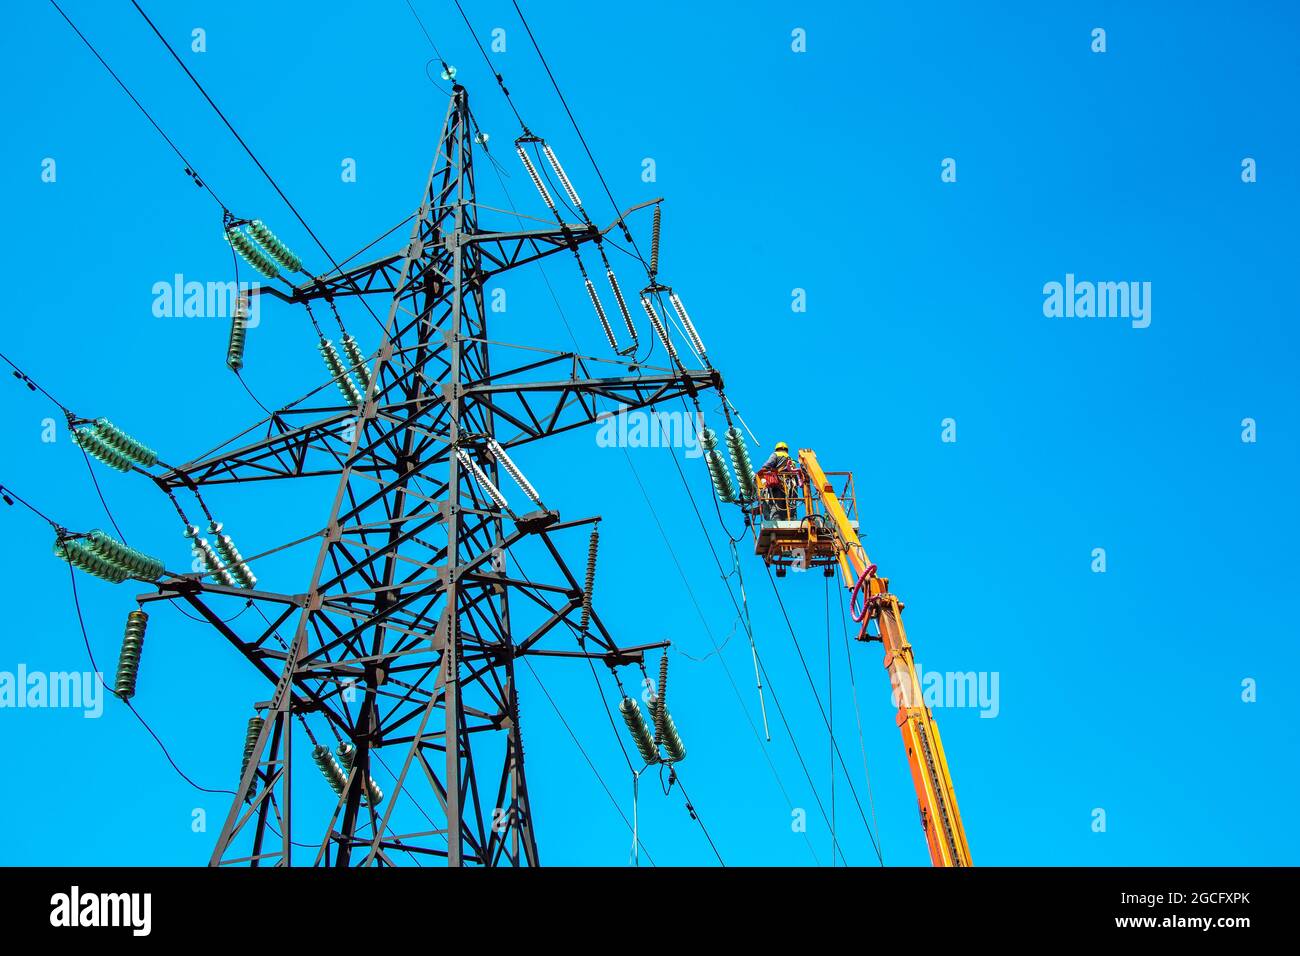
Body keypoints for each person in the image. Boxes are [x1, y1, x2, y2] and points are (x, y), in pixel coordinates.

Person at [758, 441, 802, 520]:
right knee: (791, 506)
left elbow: (766, 466)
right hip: (792, 486)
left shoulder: (776, 454)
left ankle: (776, 518)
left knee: (776, 505)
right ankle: (792, 519)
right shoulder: (791, 459)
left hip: (779, 483)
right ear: (786, 450)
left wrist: (760, 475)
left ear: (776, 449)